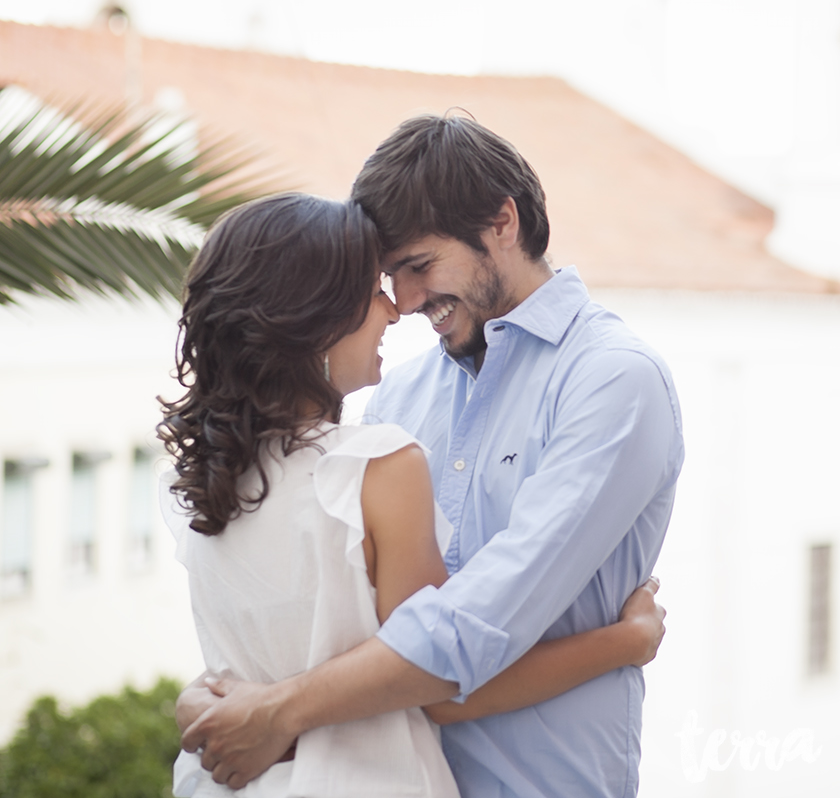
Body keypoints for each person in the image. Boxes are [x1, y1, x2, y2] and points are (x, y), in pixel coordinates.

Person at [179, 115, 685, 798]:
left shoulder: (612, 381)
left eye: (418, 266)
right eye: (390, 277)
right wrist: (229, 696)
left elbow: (466, 636)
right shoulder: (400, 399)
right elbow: (350, 638)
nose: (407, 302)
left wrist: (274, 710)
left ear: (502, 223)